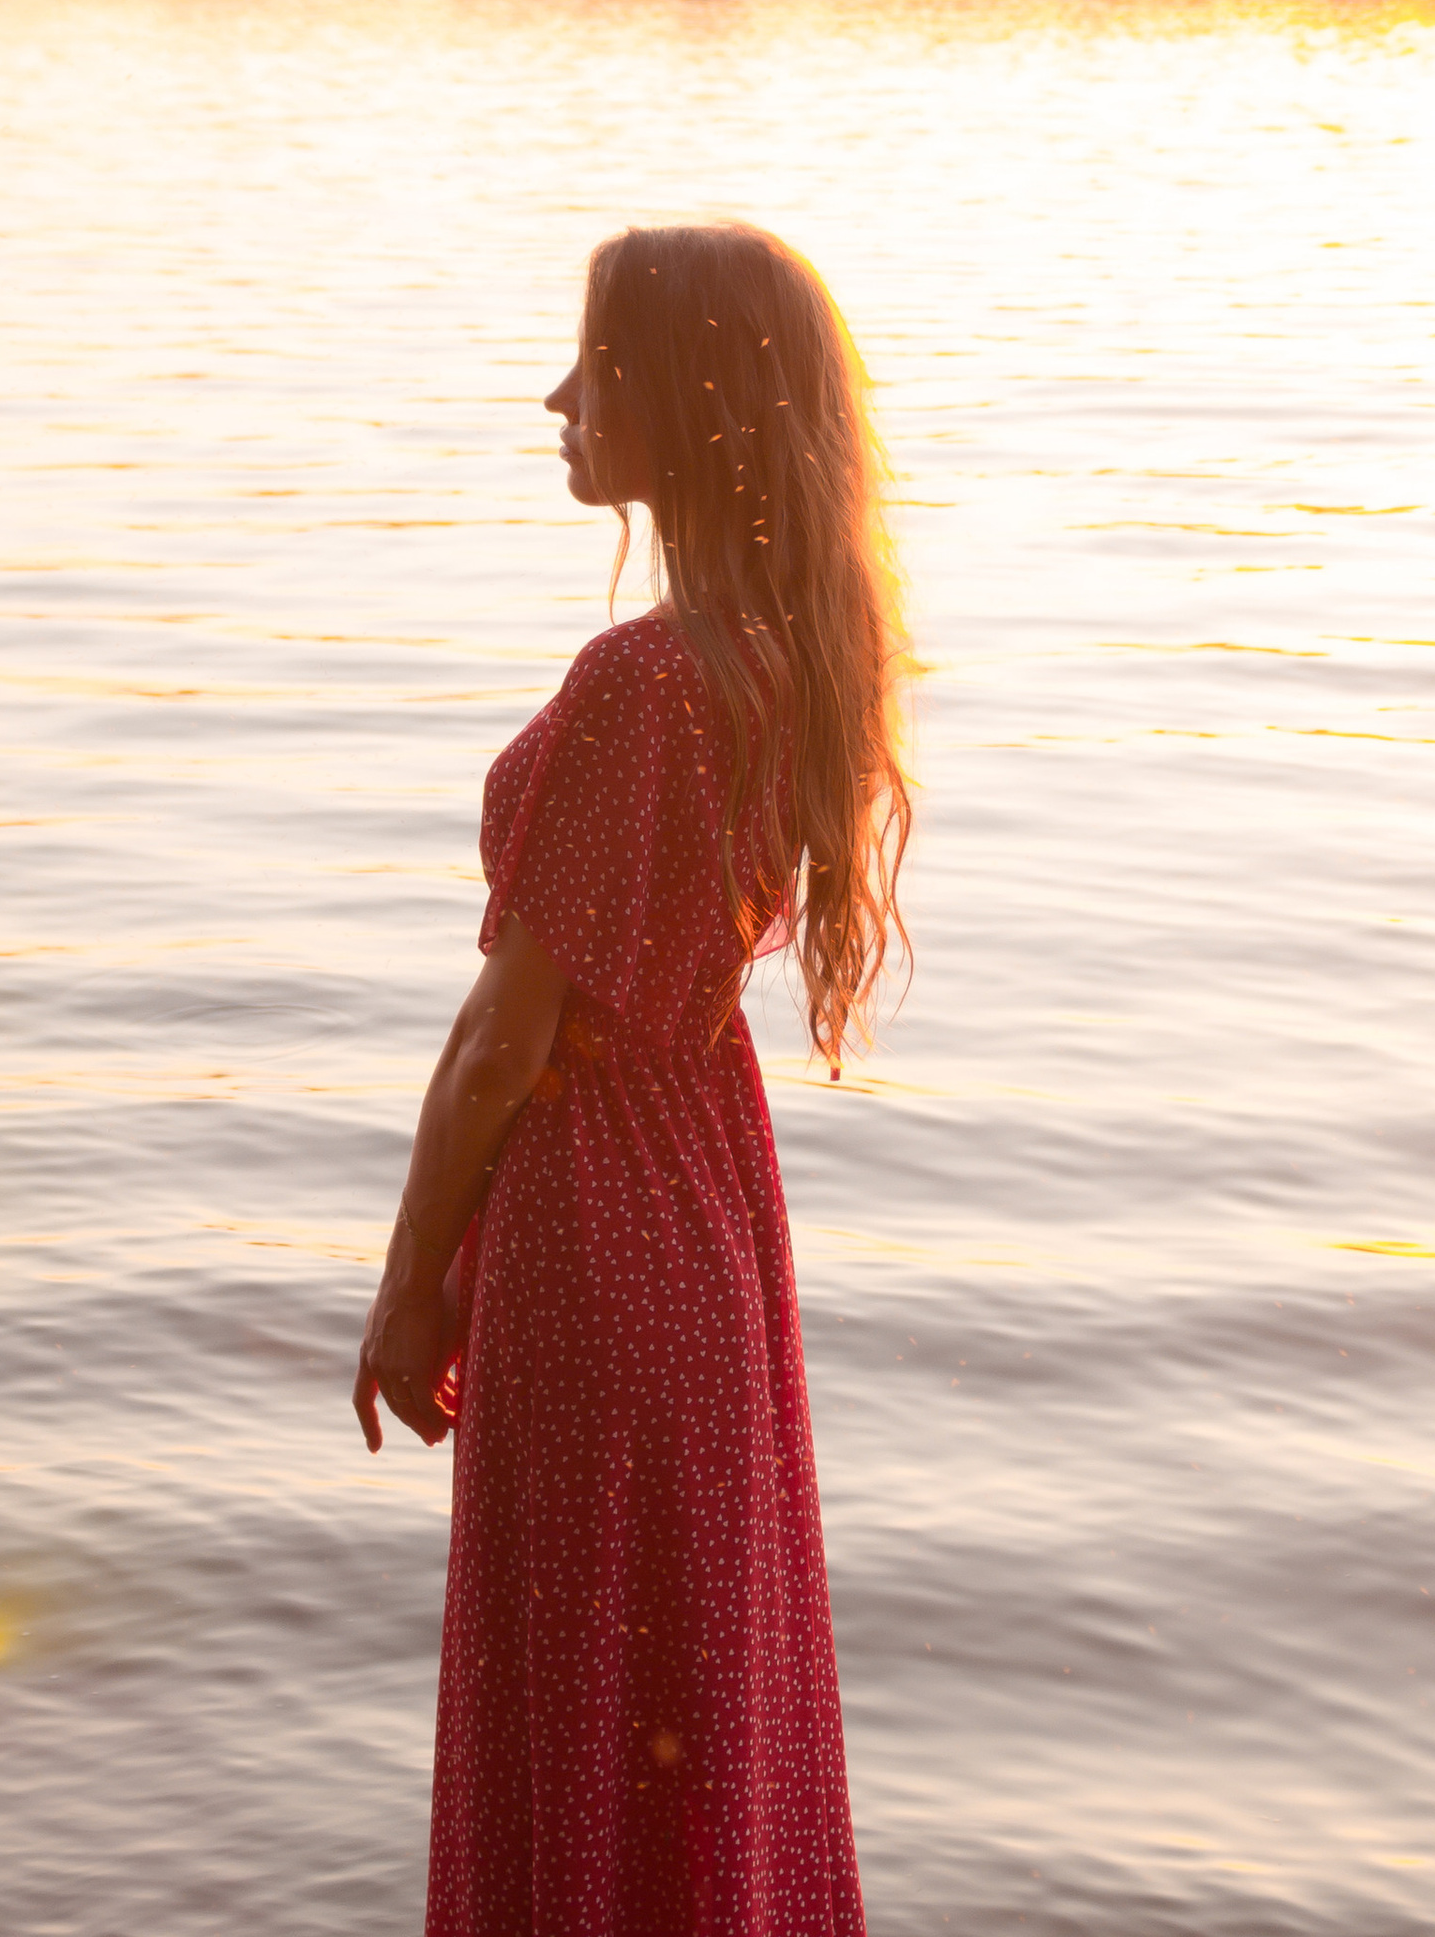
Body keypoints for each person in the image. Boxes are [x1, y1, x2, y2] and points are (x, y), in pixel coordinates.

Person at [353, 222, 910, 1935]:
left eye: (593, 367)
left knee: (577, 1696)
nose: (556, 399)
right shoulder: (785, 655)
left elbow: (502, 1043)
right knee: (681, 1687)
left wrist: (406, 1285)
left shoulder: (643, 682)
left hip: (599, 1228)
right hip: (707, 1211)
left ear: (691, 401)